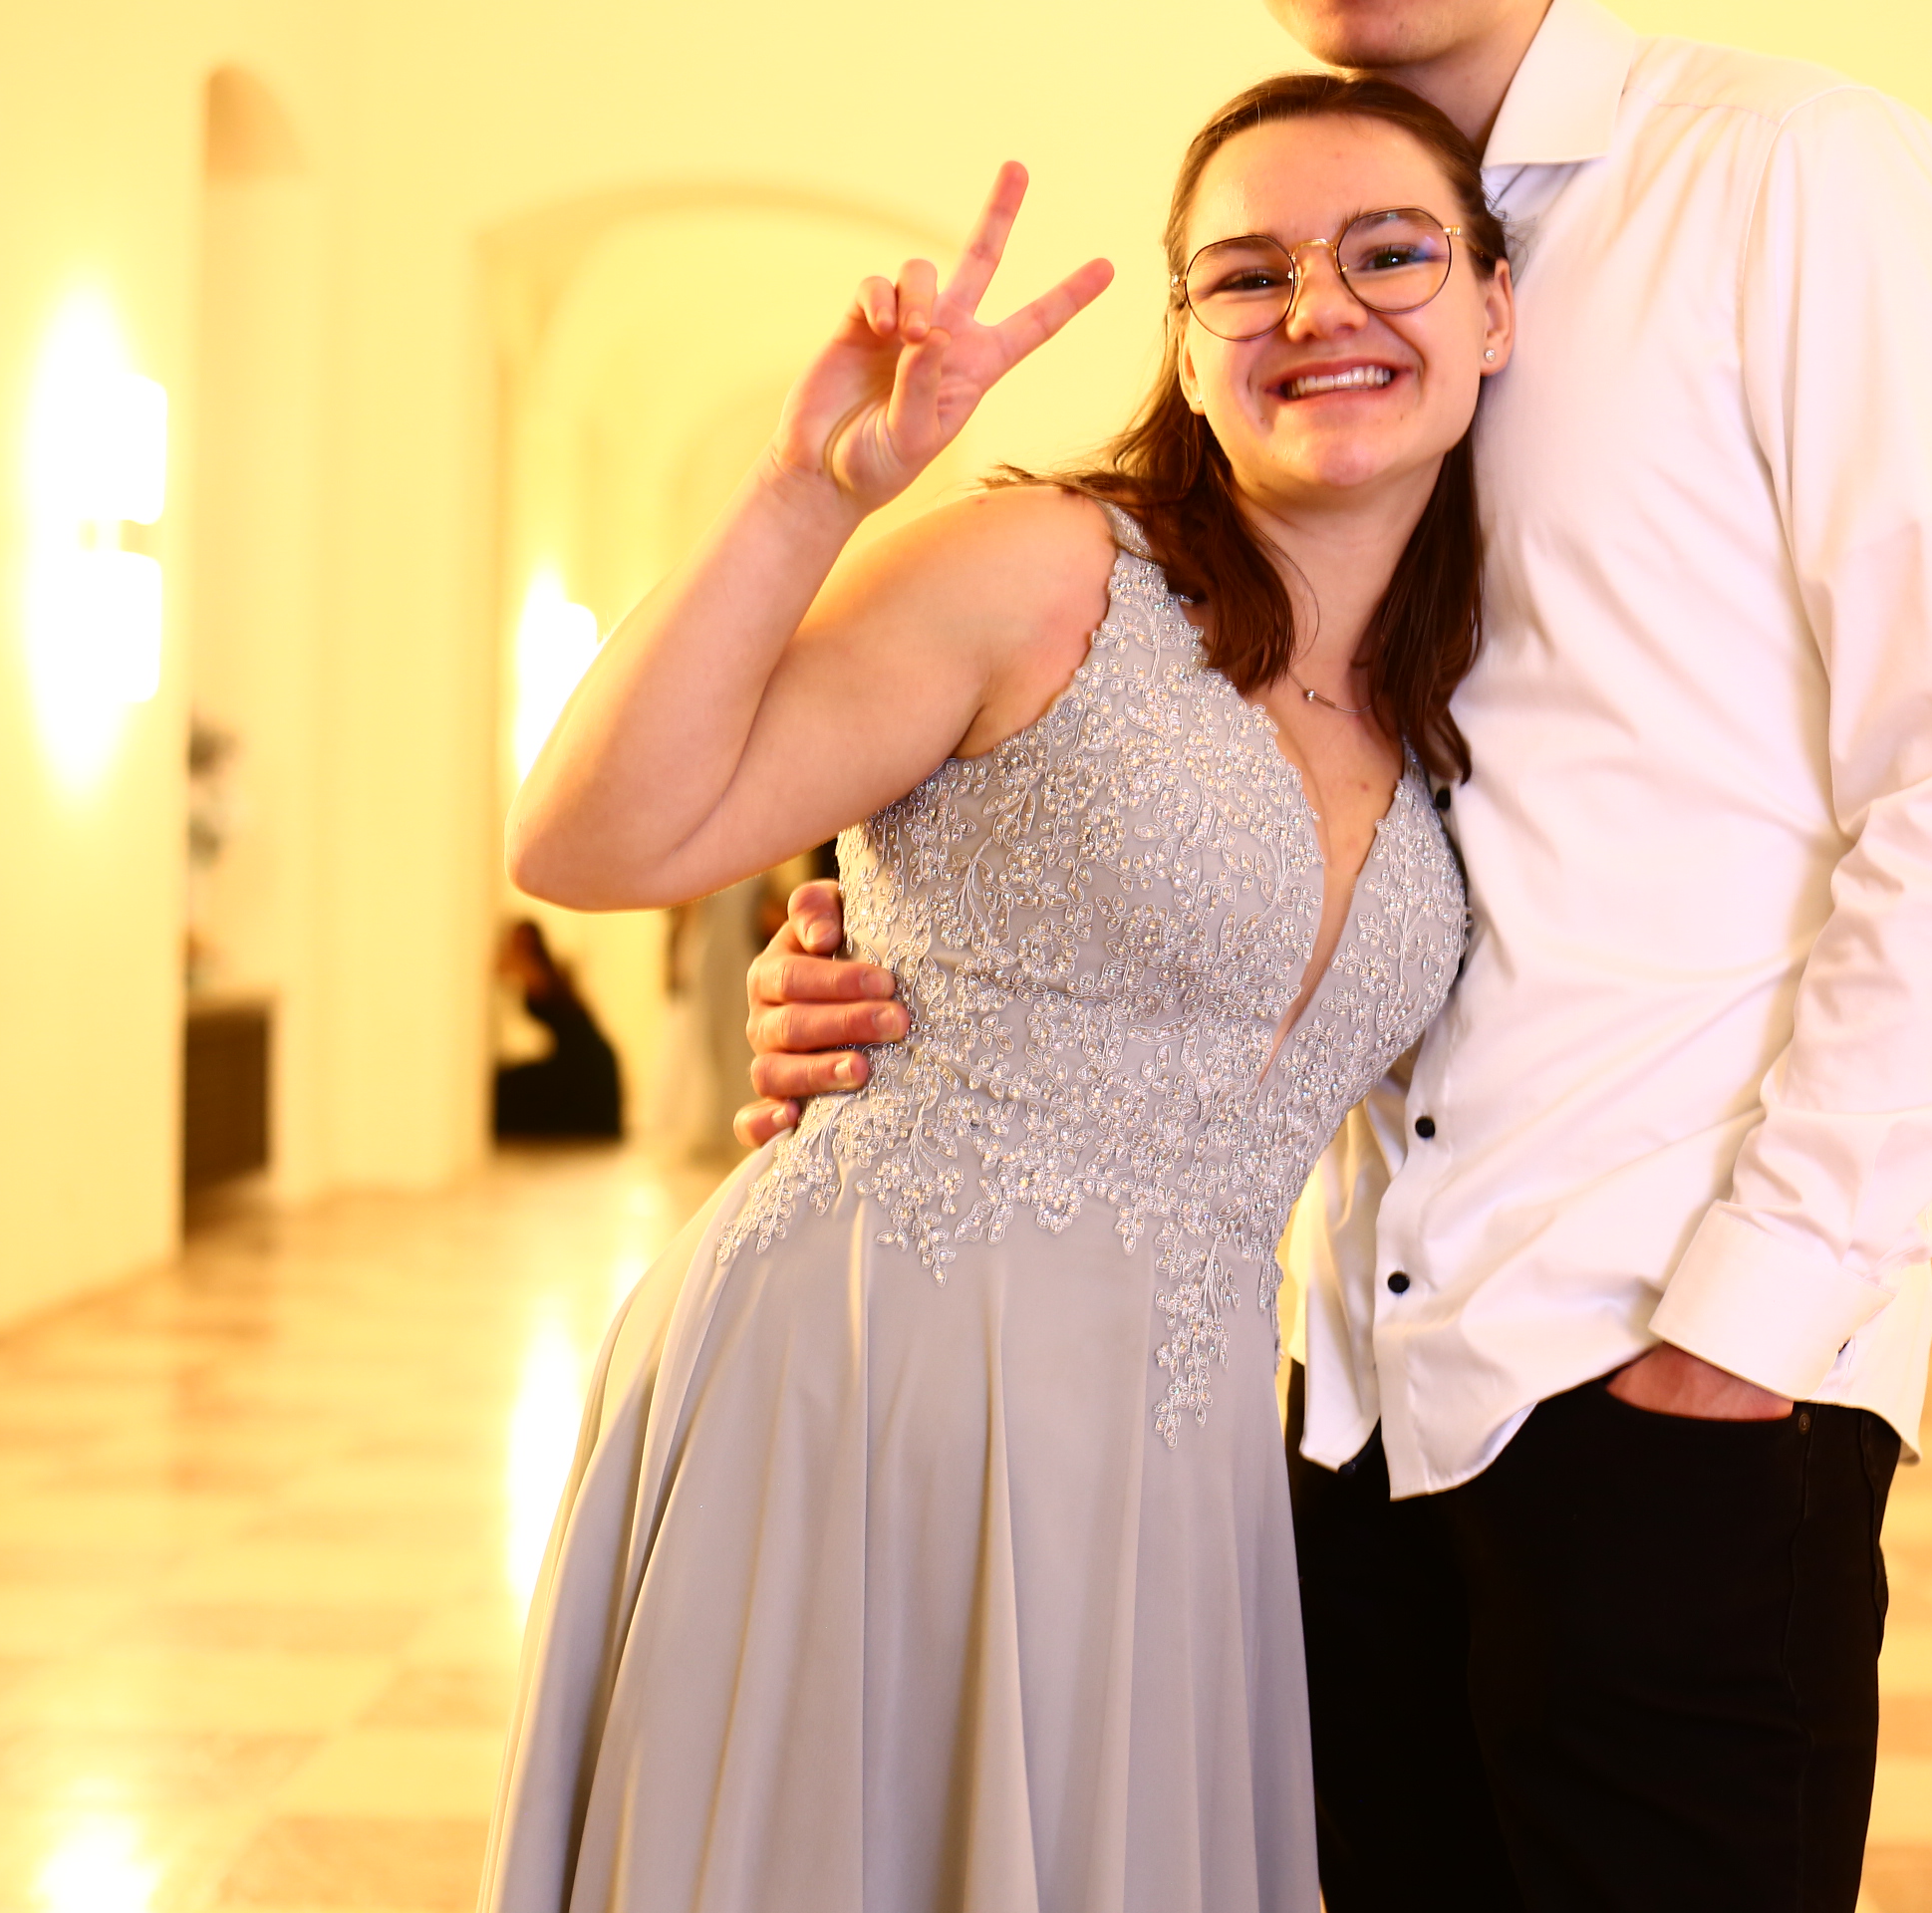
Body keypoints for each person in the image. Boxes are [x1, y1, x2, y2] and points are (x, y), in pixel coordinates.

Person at [741, 3, 1932, 1908]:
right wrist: (909, 960)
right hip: (1349, 1394)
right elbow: (1210, 749)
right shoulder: (1312, 276)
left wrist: (1746, 1326)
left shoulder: (1792, 174)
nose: (1324, 294)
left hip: (1667, 1357)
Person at [481, 75, 1515, 1913]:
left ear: (1495, 307)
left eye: (1390, 254)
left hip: (1183, 1465)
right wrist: (812, 491)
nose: (1319, 309)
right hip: (870, 1376)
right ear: (1184, 342)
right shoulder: (1051, 575)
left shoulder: (1470, 695)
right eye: (1249, 274)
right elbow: (587, 840)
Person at [491, 919, 624, 1140]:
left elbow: (505, 969)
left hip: (583, 1067)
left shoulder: (539, 972)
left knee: (507, 1086)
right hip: (576, 1061)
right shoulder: (550, 972)